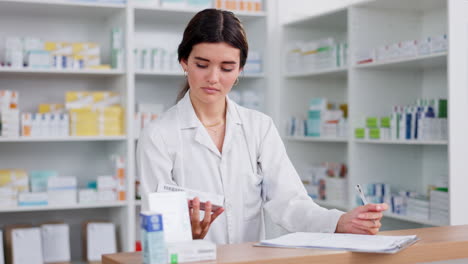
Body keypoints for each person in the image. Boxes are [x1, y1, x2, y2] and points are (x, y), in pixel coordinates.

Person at [137, 8, 388, 245]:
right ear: (184, 61)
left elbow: (289, 203)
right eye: (202, 64)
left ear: (240, 70)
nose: (213, 78)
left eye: (227, 68)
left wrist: (340, 221)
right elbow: (157, 224)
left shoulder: (259, 127)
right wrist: (183, 233)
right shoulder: (159, 135)